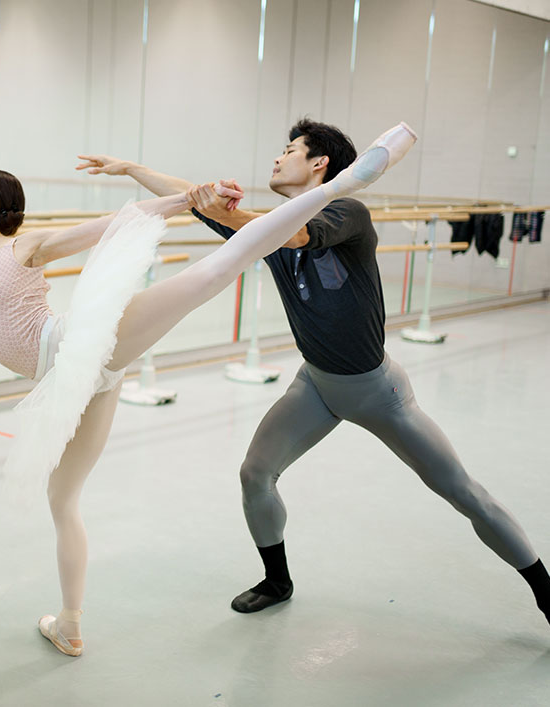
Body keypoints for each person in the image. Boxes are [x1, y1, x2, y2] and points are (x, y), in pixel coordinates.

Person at [0, 122, 415, 656]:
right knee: (61, 501)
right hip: (72, 382)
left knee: (213, 270)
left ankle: (341, 184)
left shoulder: (25, 248)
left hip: (83, 344)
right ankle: (69, 625)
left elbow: (116, 222)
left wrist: (190, 199)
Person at [77, 118, 550, 628]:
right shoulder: (264, 229)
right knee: (255, 473)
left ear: (319, 163)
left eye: (289, 150)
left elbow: (297, 232)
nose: (277, 159)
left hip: (379, 393)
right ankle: (277, 580)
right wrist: (134, 170)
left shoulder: (346, 211)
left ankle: (547, 595)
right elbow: (191, 198)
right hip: (316, 386)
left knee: (464, 493)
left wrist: (224, 209)